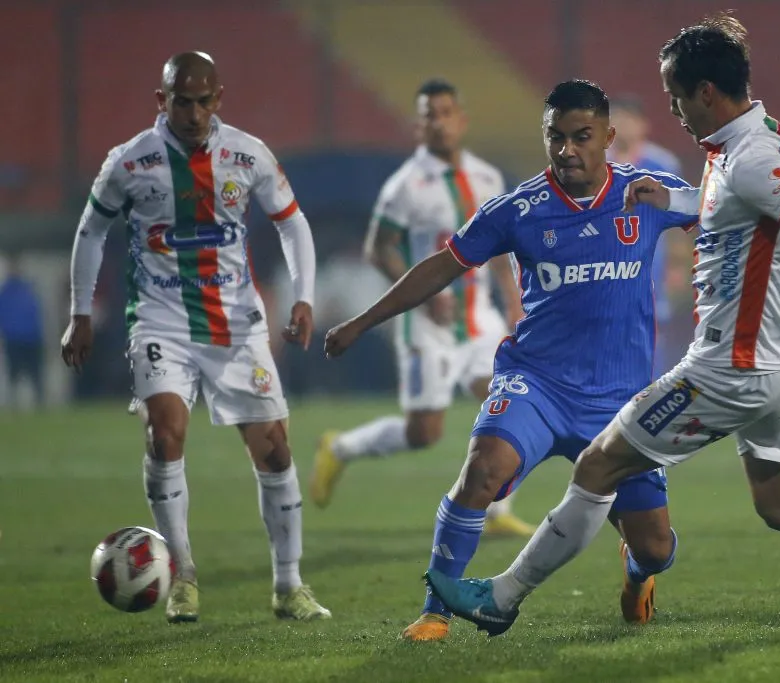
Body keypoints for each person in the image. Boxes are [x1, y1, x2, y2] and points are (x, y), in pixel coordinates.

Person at [424, 13, 780, 635]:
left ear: (706, 93)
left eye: (675, 95)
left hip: (730, 368)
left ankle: (500, 598)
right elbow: (743, 206)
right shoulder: (761, 136)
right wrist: (675, 201)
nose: (672, 110)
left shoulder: (747, 160)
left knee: (595, 468)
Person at [324, 79, 700, 641]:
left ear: (608, 138)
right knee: (482, 468)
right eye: (556, 137)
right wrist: (360, 322)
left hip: (620, 400)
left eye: (581, 137)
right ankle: (435, 610)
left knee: (656, 545)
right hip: (538, 384)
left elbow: (721, 208)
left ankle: (637, 571)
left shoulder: (648, 194)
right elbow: (442, 266)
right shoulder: (518, 209)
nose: (567, 149)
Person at [60, 51, 330, 623]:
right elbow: (91, 231)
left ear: (218, 99)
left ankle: (288, 585)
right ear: (163, 101)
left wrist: (303, 296)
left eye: (203, 100)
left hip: (236, 325)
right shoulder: (131, 161)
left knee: (275, 448)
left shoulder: (247, 153)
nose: (193, 111)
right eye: (181, 100)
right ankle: (182, 575)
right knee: (165, 432)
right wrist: (80, 311)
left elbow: (292, 222)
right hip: (160, 321)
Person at [309, 79, 533, 538]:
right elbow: (378, 248)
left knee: (510, 405)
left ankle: (495, 513)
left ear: (462, 119)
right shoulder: (404, 185)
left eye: (447, 111)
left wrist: (513, 302)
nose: (439, 121)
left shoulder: (487, 177)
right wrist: (425, 296)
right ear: (418, 125)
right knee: (424, 433)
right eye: (430, 114)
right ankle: (342, 447)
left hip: (477, 319)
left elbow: (496, 247)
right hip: (424, 325)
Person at [609, 97, 686, 376]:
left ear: (644, 126)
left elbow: (680, 218)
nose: (622, 126)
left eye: (629, 119)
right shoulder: (595, 163)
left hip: (650, 266)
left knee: (650, 340)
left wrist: (677, 266)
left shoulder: (663, 164)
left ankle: (649, 401)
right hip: (605, 266)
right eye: (616, 119)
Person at [0, 253, 45, 407]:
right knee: (14, 375)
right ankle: (13, 405)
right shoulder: (5, 292)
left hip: (31, 338)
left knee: (36, 374)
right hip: (14, 339)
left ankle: (40, 404)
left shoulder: (28, 288)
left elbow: (36, 313)